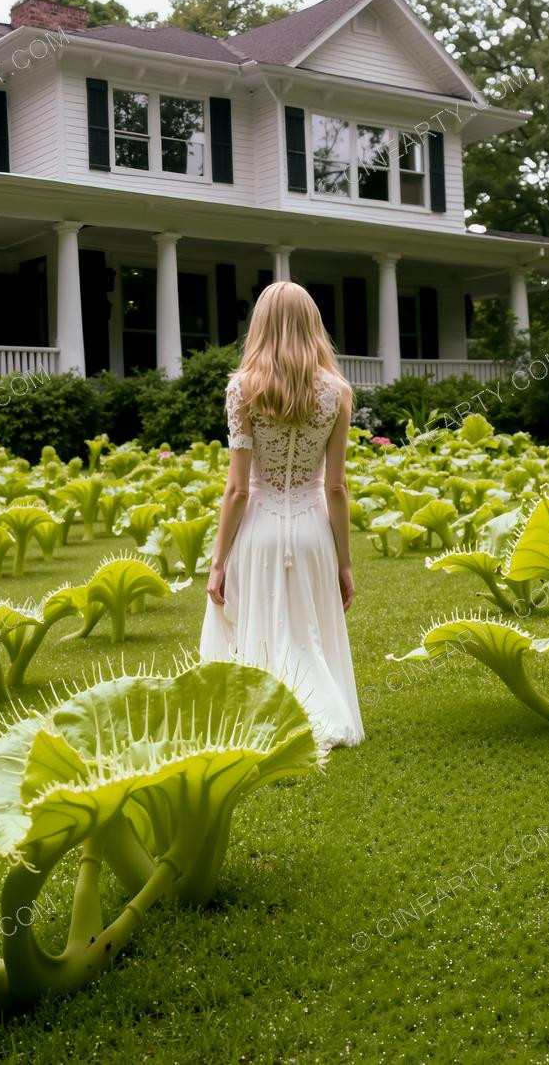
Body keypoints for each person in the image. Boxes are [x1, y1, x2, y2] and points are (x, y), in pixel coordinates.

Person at [199, 280, 363, 747]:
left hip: (258, 527)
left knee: (261, 625)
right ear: (313, 324)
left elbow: (236, 490)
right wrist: (345, 562)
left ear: (261, 326)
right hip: (312, 530)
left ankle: (264, 720)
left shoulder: (242, 390)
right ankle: (320, 714)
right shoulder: (338, 392)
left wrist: (218, 560)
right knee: (308, 630)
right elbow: (335, 486)